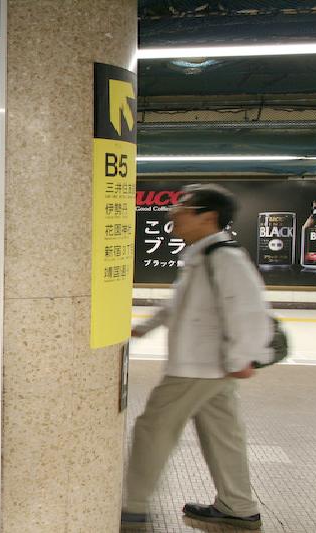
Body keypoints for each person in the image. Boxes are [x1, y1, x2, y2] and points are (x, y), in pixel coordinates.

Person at [121, 184, 271, 531]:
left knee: (152, 430)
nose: (174, 213)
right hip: (211, 367)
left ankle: (133, 506)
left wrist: (243, 357)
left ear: (209, 217)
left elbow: (248, 311)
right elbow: (180, 304)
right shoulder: (202, 255)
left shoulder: (225, 257)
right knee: (223, 435)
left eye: (184, 208)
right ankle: (239, 506)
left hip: (199, 366)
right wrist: (146, 328)